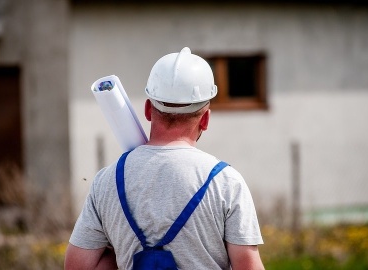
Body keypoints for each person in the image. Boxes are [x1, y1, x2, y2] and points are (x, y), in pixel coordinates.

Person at [65, 47, 264, 270]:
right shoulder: (226, 182)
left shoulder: (107, 181)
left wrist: (117, 252)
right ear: (205, 119)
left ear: (148, 109)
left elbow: (77, 266)